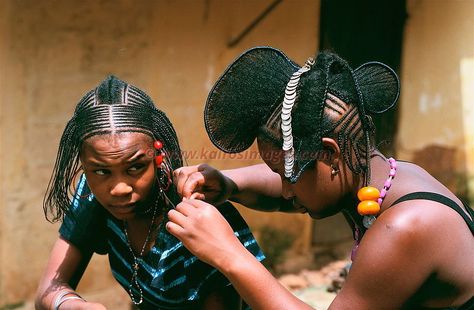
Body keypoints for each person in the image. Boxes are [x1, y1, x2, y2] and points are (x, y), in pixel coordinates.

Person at [167, 47, 474, 309]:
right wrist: (228, 183)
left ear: (329, 154)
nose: (286, 191)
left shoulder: (406, 226)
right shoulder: (382, 173)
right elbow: (286, 186)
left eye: (290, 175)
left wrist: (229, 254)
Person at [35, 76, 264, 310]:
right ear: (83, 164)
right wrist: (70, 304)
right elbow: (48, 290)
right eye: (101, 171)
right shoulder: (91, 196)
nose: (119, 188)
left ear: (158, 155)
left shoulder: (194, 217)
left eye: (135, 167)